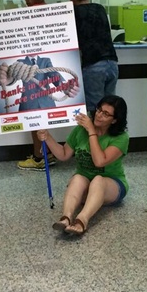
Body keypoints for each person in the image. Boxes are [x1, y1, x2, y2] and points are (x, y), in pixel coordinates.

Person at [37, 95, 128, 236]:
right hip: (85, 186)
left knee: (98, 180)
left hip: (111, 185)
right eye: (99, 110)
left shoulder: (121, 138)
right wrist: (48, 137)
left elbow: (99, 161)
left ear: (114, 120)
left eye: (106, 114)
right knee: (78, 177)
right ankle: (66, 218)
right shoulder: (80, 130)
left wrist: (92, 132)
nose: (99, 115)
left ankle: (82, 220)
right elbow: (63, 154)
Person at [17, 0, 59, 171]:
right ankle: (43, 153)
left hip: (40, 69)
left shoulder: (46, 15)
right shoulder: (29, 14)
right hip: (32, 69)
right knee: (33, 117)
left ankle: (39, 156)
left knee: (36, 117)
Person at [66, 0, 119, 113]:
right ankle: (109, 134)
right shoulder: (100, 8)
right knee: (110, 109)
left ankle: (95, 134)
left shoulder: (75, 13)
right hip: (112, 63)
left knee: (95, 111)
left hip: (94, 65)